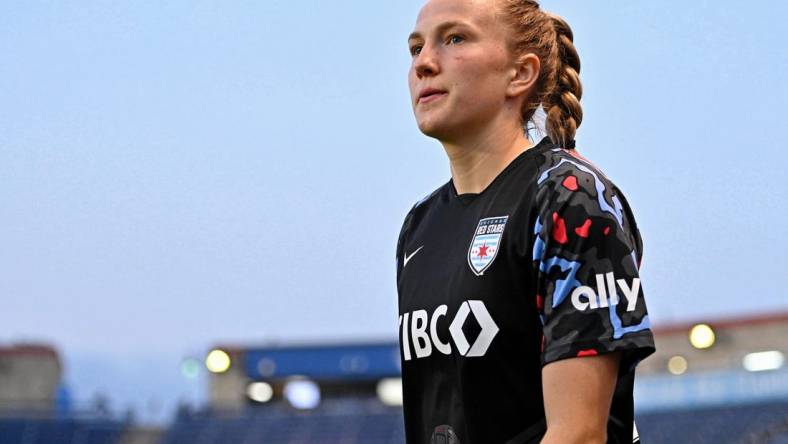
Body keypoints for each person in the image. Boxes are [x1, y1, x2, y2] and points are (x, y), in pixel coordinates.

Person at [395, 1, 656, 443]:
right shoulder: (418, 226)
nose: (424, 63)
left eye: (455, 38)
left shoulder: (569, 197)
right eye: (416, 47)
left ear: (520, 74)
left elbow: (579, 435)